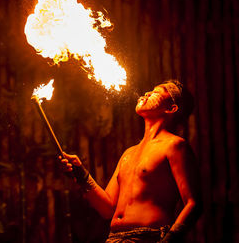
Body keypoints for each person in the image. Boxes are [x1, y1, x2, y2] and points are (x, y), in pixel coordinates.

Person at [59, 80, 202, 242]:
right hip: (113, 239)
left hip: (147, 238)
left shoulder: (174, 146)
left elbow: (193, 203)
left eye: (157, 92)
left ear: (171, 108)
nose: (147, 93)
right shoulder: (129, 153)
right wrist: (81, 173)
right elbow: (107, 209)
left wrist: (169, 239)